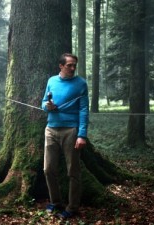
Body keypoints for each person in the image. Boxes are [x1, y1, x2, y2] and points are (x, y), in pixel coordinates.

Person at [41, 53, 89, 219]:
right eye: (69, 65)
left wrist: (82, 135)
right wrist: (47, 106)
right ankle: (56, 202)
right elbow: (43, 103)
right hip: (51, 129)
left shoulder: (81, 83)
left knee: (73, 171)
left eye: (74, 65)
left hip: (71, 131)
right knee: (48, 169)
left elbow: (84, 110)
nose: (73, 68)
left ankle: (72, 206)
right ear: (61, 66)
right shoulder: (52, 81)